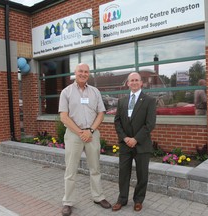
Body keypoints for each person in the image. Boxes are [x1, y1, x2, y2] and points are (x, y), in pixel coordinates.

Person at [58, 63, 111, 216]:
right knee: (71, 170)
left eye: (86, 72)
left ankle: (98, 197)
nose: (83, 74)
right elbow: (64, 116)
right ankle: (68, 202)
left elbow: (101, 113)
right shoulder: (66, 92)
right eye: (80, 71)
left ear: (89, 74)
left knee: (95, 168)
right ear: (75, 73)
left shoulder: (95, 92)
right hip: (74, 135)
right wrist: (81, 132)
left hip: (92, 134)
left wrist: (91, 131)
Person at [112, 72, 156, 212]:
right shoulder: (122, 101)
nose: (135, 82)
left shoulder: (149, 100)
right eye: (132, 80)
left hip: (141, 144)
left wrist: (136, 139)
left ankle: (138, 200)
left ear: (141, 83)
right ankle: (122, 199)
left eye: (137, 80)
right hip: (125, 144)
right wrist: (125, 138)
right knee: (123, 173)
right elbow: (117, 121)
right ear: (128, 83)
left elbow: (150, 124)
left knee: (142, 174)